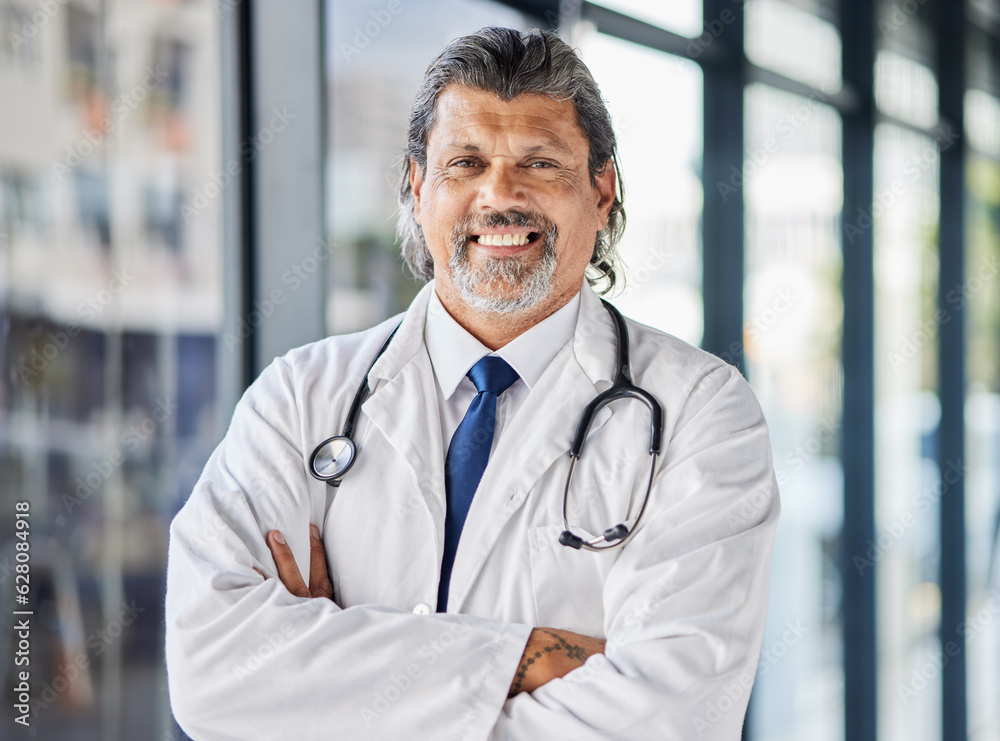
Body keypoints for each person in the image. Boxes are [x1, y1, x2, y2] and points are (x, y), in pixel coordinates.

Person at [165, 27, 780, 740]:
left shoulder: (702, 414)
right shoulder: (299, 398)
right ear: (418, 187)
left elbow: (672, 716)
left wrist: (334, 670)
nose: (500, 195)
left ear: (602, 190)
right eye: (466, 162)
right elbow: (211, 670)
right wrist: (530, 654)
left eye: (541, 163)